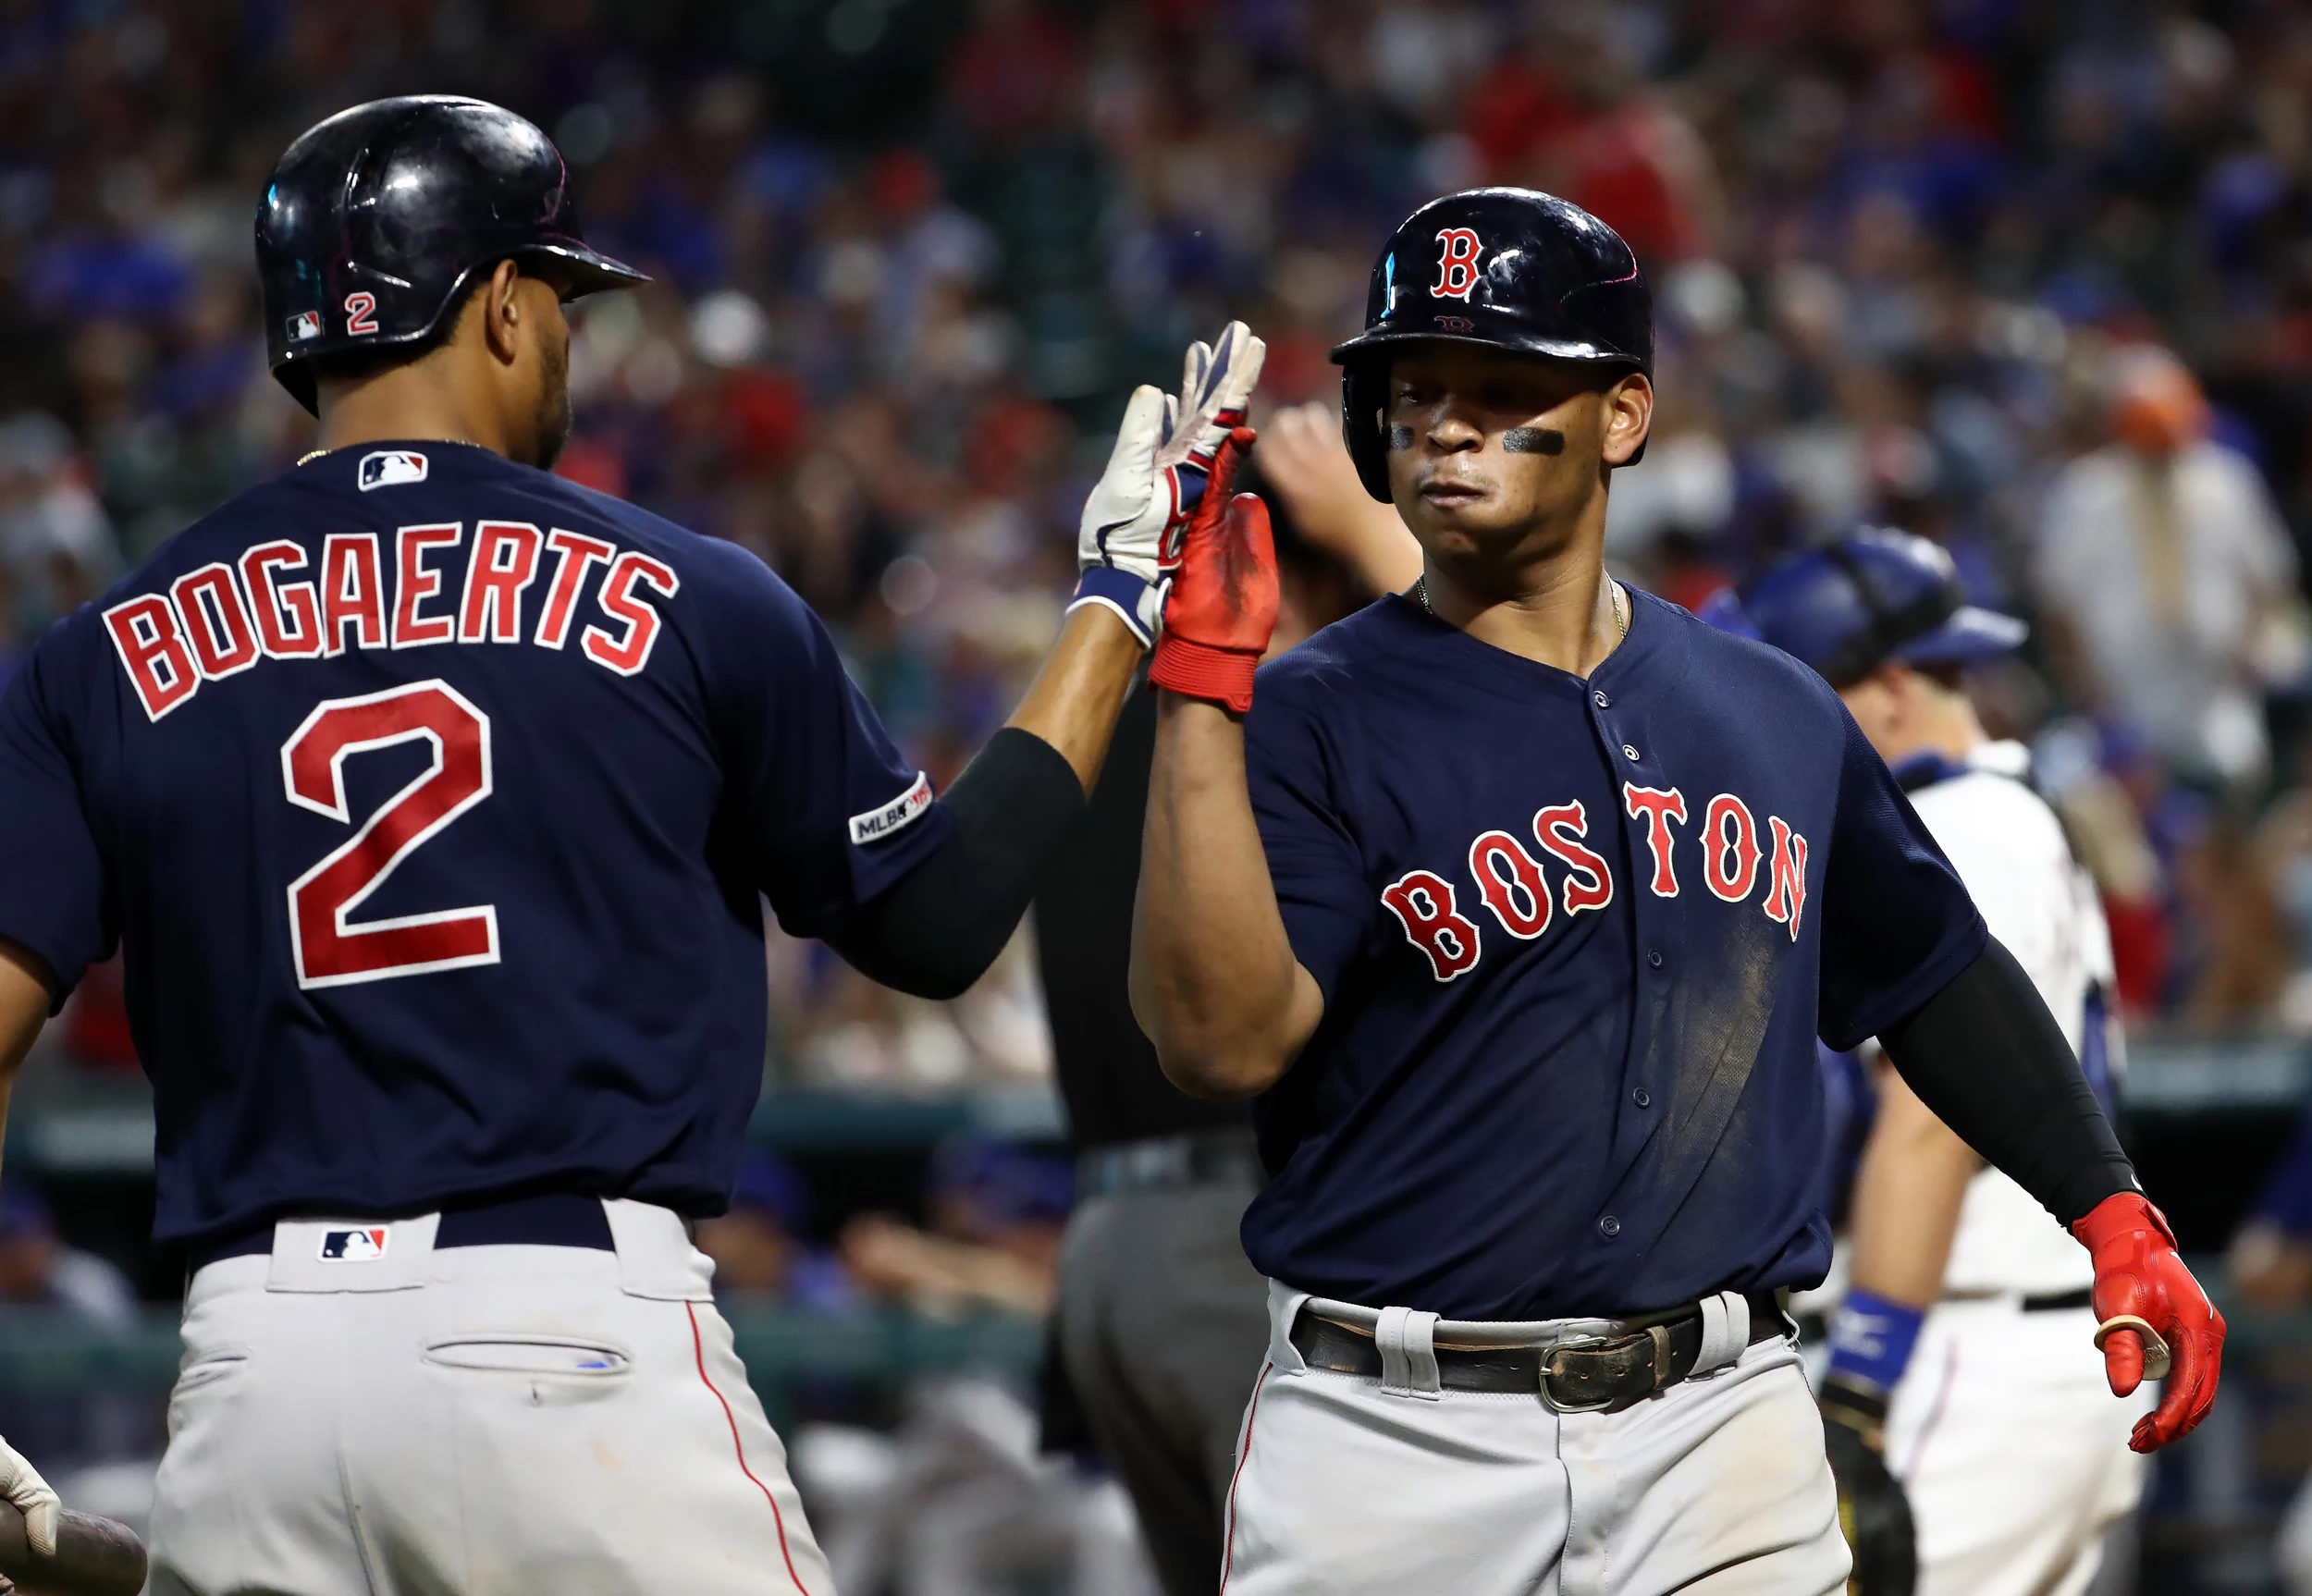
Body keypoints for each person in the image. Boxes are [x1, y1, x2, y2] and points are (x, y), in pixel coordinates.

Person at [0, 95, 1260, 1595]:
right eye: (560, 297)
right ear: (502, 310)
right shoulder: (688, 591)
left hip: (253, 1376)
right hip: (566, 1344)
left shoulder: (99, 652)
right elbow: (935, 924)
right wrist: (1113, 608)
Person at [1127, 186, 2224, 1596]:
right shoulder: (1308, 715)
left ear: (1622, 418)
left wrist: (2111, 1208)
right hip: (1395, 1439)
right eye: (1415, 387)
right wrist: (1199, 703)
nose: (1446, 424)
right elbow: (1219, 1043)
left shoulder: (1771, 711)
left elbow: (1934, 974)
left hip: (1723, 1427)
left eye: (1503, 383)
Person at [1039, 398, 1420, 1596]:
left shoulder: (1111, 707)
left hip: (1111, 1248)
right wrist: (1380, 538)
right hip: (1230, 1243)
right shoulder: (1263, 712)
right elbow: (1537, 703)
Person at [1732, 529, 2150, 1596]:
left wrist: (1861, 1395)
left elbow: (1928, 1126)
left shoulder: (1959, 826)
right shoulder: (2012, 813)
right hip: (2019, 1347)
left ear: (1883, 687)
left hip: (1957, 1350)